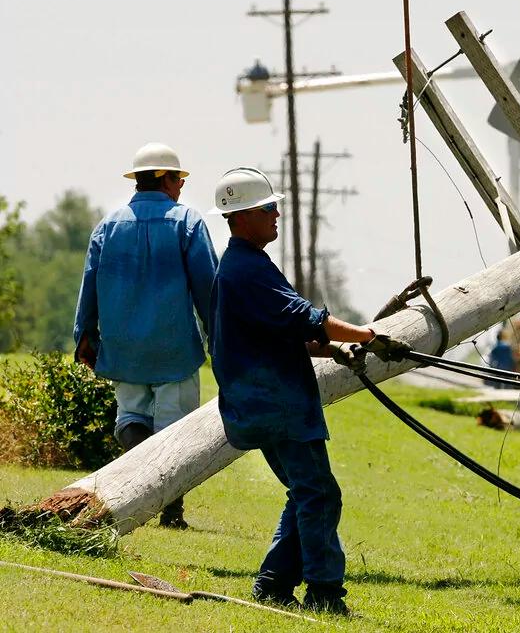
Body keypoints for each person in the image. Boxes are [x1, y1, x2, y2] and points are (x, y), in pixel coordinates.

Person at [207, 167, 408, 614]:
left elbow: (276, 331)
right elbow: (304, 316)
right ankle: (322, 593)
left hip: (261, 402)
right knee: (318, 493)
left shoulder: (241, 267)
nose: (278, 214)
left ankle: (275, 583)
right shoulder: (247, 269)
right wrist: (368, 336)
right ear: (241, 218)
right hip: (278, 403)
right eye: (268, 209)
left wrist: (334, 350)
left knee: (307, 491)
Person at [73, 142, 218, 529]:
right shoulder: (187, 222)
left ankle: (142, 488)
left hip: (123, 346)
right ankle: (170, 508)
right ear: (167, 180)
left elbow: (89, 285)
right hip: (174, 347)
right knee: (175, 431)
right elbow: (208, 288)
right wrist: (218, 335)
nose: (182, 187)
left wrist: (84, 336)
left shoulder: (108, 224)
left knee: (131, 417)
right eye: (179, 179)